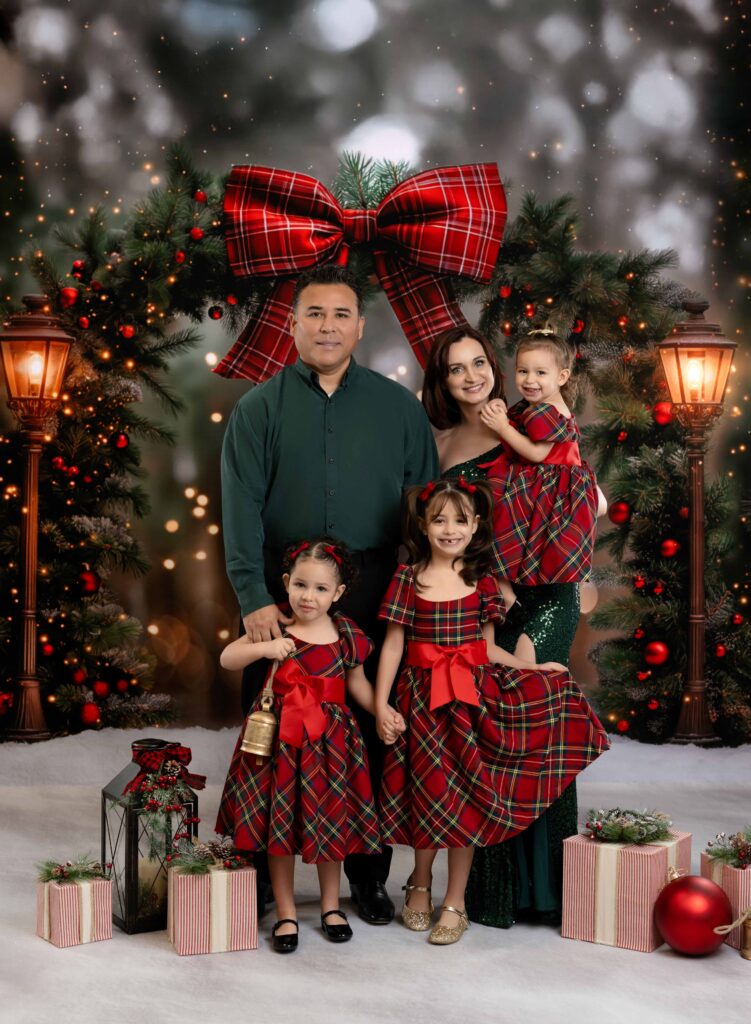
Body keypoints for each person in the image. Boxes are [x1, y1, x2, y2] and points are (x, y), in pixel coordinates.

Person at [220, 264, 439, 924]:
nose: (327, 326)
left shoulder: (397, 406)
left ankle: (367, 877)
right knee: (268, 732)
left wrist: (419, 595)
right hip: (282, 585)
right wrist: (253, 594)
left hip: (374, 583)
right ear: (292, 324)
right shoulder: (259, 407)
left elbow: (423, 507)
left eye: (340, 314)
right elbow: (239, 507)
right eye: (314, 313)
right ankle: (261, 871)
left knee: (368, 728)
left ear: (359, 326)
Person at [420, 325, 603, 929]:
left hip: (545, 591)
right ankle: (490, 893)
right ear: (442, 381)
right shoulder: (444, 442)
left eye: (479, 363)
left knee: (539, 715)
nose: (471, 376)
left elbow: (586, 497)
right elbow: (439, 529)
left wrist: (581, 570)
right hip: (488, 599)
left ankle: (546, 888)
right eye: (455, 369)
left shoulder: (534, 418)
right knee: (491, 729)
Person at [373, 478, 609, 945]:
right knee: (427, 794)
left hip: (467, 702)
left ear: (476, 524)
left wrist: (531, 666)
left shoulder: (481, 581)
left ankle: (455, 899)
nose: (449, 529)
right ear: (423, 525)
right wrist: (381, 704)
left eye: (460, 520)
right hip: (420, 702)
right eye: (438, 519)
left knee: (464, 799)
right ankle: (419, 884)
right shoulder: (408, 577)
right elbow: (393, 646)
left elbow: (485, 649)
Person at [216, 539, 405, 953]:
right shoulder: (277, 629)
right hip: (283, 742)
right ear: (285, 583)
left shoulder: (346, 635)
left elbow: (356, 684)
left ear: (337, 594)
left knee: (330, 823)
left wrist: (381, 711)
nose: (308, 596)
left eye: (320, 589)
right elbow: (228, 658)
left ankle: (330, 906)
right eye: (300, 585)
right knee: (280, 827)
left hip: (331, 743)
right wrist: (265, 648)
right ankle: (285, 912)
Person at [478, 327, 602, 587]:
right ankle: (503, 582)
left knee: (508, 518)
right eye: (523, 371)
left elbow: (536, 453)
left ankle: (505, 584)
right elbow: (518, 423)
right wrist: (502, 412)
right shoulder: (539, 404)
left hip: (551, 484)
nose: (529, 380)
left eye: (540, 373)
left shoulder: (548, 410)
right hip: (548, 476)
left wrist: (502, 427)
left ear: (562, 376)